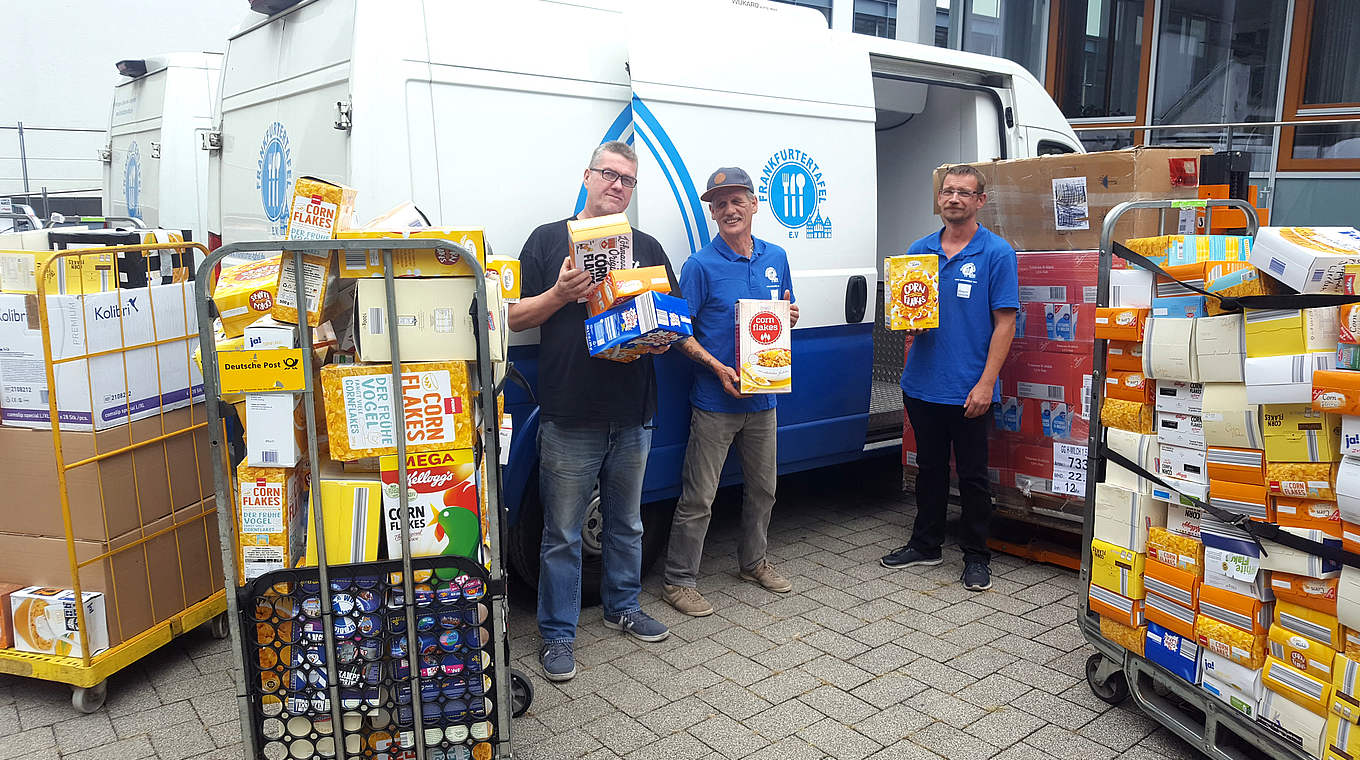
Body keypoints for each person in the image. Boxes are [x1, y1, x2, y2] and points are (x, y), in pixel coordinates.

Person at [508, 141, 677, 682]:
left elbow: (671, 321)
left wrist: (660, 338)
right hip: (568, 413)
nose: (618, 185)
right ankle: (558, 634)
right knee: (561, 533)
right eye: (610, 174)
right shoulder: (546, 240)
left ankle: (623, 607)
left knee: (627, 523)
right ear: (587, 176)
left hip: (632, 411)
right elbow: (512, 318)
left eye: (628, 180)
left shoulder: (647, 246)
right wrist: (559, 293)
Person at [662, 166, 798, 618]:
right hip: (715, 401)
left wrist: (788, 319)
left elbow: (779, 317)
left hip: (764, 399)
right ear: (713, 213)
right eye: (720, 203)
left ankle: (753, 562)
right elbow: (679, 332)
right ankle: (679, 581)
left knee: (764, 489)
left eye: (738, 200)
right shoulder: (700, 265)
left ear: (755, 204)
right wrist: (717, 367)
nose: (729, 209)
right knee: (699, 496)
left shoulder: (776, 256)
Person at [880, 164, 1018, 592]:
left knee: (974, 477)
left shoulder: (996, 253)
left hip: (969, 388)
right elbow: (908, 316)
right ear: (939, 199)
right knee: (930, 469)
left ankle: (976, 556)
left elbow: (1005, 323)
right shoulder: (918, 251)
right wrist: (907, 326)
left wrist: (985, 383)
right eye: (947, 192)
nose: (954, 198)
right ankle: (926, 543)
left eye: (964, 192)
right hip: (922, 384)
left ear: (980, 201)